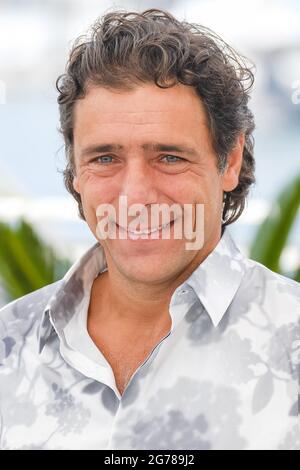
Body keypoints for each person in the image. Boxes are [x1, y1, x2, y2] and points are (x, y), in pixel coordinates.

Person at [0, 8, 299, 451]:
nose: (135, 196)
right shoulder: (9, 344)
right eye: (105, 158)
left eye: (170, 157)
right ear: (77, 172)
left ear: (230, 161)